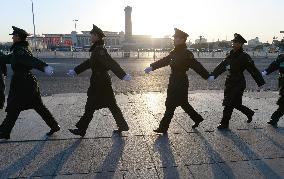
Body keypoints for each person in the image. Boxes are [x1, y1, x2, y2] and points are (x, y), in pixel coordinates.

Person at [68, 25, 132, 137]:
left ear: (96, 36)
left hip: (100, 83)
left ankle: (82, 129)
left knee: (91, 106)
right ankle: (122, 125)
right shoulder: (97, 49)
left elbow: (110, 63)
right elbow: (89, 63)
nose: (90, 37)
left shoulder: (99, 50)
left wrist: (122, 75)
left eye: (91, 35)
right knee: (109, 105)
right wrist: (75, 70)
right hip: (101, 81)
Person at [144, 28, 210, 133]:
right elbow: (165, 61)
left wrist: (207, 76)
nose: (174, 39)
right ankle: (197, 118)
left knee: (170, 104)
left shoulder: (186, 53)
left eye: (176, 38)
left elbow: (196, 65)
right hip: (174, 79)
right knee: (183, 103)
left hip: (181, 81)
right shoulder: (174, 52)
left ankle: (163, 128)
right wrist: (152, 67)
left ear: (183, 39)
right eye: (174, 37)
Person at [0, 26, 60, 140]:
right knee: (38, 106)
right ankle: (54, 125)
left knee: (14, 107)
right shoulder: (20, 49)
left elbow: (31, 61)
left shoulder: (20, 50)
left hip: (22, 84)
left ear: (18, 37)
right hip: (28, 82)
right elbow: (8, 59)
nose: (12, 37)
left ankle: (5, 131)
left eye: (14, 36)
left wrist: (45, 67)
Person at [208, 33, 265, 129]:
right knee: (236, 104)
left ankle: (224, 123)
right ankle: (249, 113)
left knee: (228, 103)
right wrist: (213, 75)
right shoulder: (230, 55)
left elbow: (253, 70)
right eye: (233, 42)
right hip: (229, 81)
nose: (233, 44)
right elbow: (222, 66)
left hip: (238, 82)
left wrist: (260, 82)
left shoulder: (244, 56)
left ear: (241, 44)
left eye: (236, 42)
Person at [261, 53, 284, 127]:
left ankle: (274, 119)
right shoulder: (282, 57)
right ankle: (274, 119)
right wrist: (265, 72)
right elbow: (274, 65)